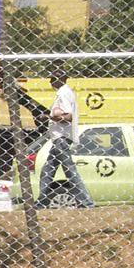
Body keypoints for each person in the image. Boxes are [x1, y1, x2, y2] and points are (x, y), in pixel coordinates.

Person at [37, 66, 93, 207]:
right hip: (59, 138)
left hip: (61, 137)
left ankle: (87, 202)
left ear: (60, 79)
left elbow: (68, 117)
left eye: (53, 79)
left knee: (70, 171)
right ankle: (41, 202)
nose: (50, 82)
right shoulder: (65, 92)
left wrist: (48, 117)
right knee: (47, 170)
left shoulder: (63, 94)